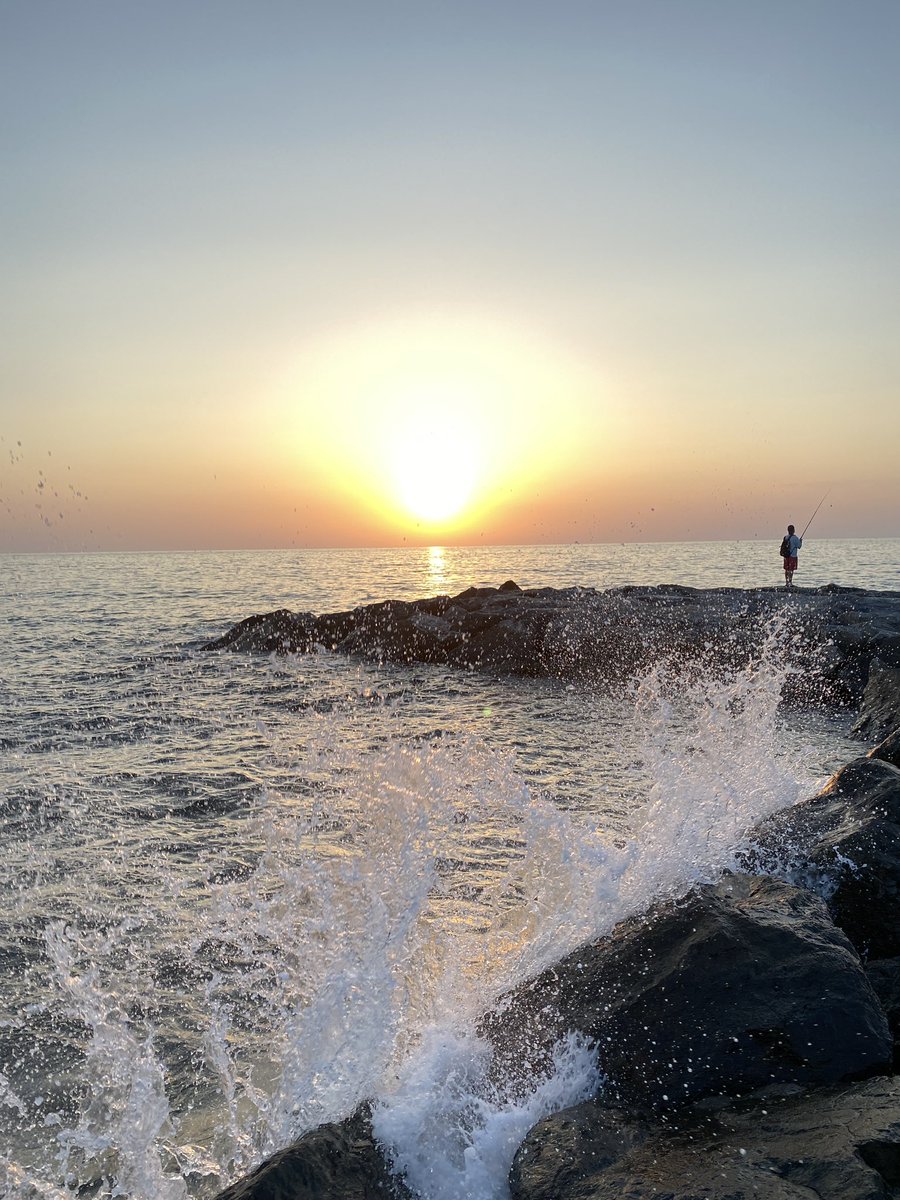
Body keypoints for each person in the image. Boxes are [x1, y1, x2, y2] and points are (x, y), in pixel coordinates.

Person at [782, 523, 802, 589]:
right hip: (792, 556)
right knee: (791, 570)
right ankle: (790, 583)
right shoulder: (795, 538)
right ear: (793, 530)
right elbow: (799, 546)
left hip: (786, 556)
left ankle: (786, 583)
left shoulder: (785, 537)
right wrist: (800, 541)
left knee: (786, 569)